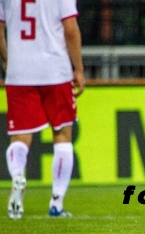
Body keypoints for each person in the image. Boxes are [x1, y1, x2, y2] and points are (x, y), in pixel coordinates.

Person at [0, 0, 85, 219]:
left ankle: (18, 175)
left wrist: (8, 61)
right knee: (62, 134)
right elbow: (70, 29)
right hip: (55, 70)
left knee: (20, 136)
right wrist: (79, 68)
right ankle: (56, 202)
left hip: (20, 71)